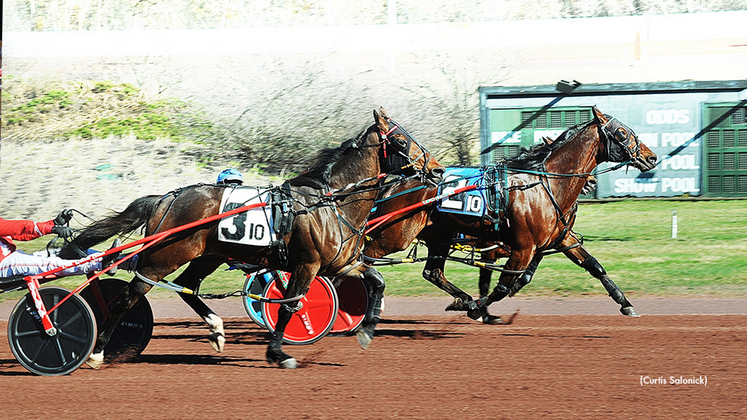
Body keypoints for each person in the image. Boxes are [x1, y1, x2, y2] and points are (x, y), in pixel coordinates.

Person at [0, 210, 119, 279]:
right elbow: (20, 227)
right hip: (3, 265)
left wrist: (54, 223)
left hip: (13, 257)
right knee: (50, 264)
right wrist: (51, 228)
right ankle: (99, 263)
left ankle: (127, 261)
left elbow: (21, 233)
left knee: (72, 251)